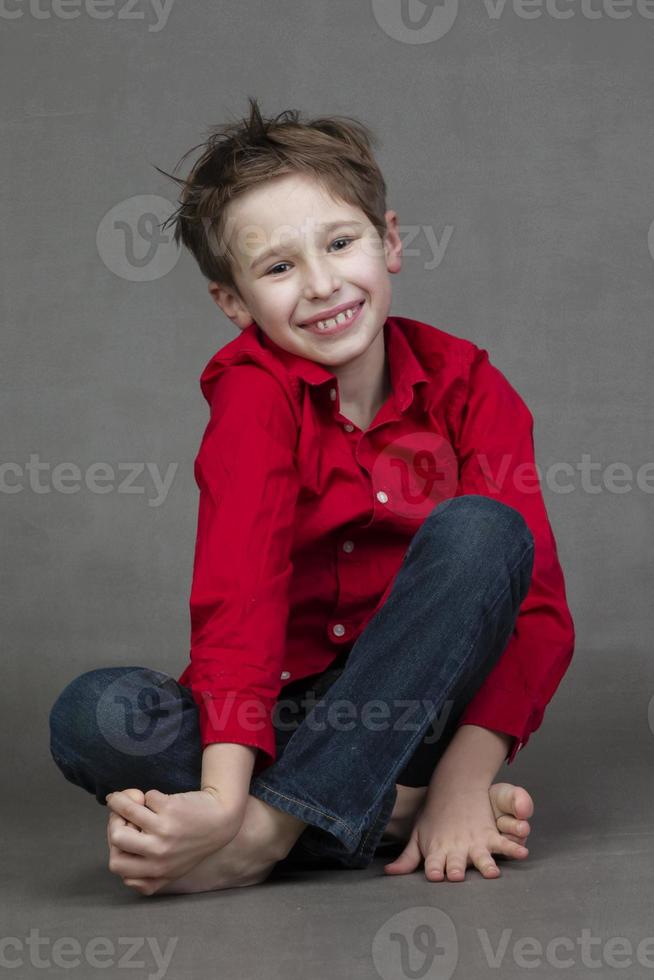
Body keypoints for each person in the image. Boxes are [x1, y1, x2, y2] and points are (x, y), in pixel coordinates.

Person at [49, 97, 575, 896]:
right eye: (278, 266)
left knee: (484, 531)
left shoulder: (471, 386)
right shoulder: (254, 396)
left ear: (389, 240)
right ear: (234, 302)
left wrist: (466, 778)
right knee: (95, 713)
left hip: (421, 714)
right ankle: (385, 810)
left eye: (340, 243)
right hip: (281, 718)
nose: (324, 284)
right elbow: (241, 595)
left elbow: (536, 615)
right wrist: (224, 799)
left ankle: (280, 833)